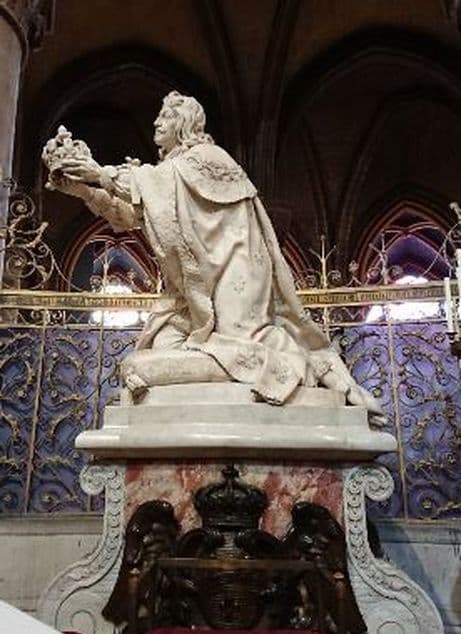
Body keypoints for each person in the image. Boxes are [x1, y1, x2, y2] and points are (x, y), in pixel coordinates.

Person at [42, 91, 385, 423]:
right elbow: (130, 214)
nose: (157, 123)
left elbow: (155, 181)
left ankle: (304, 364)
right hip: (193, 298)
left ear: (185, 123)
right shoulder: (172, 172)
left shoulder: (208, 158)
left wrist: (98, 172)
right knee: (145, 357)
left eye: (166, 116)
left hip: (232, 281)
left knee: (149, 365)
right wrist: (84, 189)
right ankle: (301, 364)